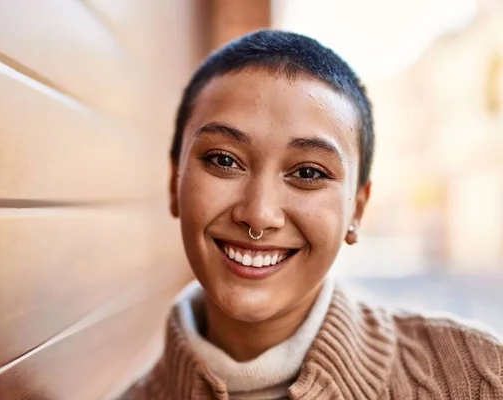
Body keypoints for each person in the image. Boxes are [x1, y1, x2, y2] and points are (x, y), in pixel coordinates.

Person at [116, 30, 503, 399]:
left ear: (358, 209)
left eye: (308, 173)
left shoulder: (481, 380)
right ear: (174, 183)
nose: (259, 214)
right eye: (223, 160)